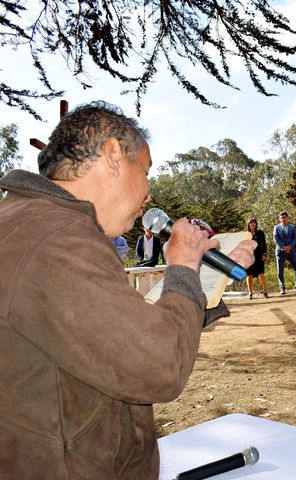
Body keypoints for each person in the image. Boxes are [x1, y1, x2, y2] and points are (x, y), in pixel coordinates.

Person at [0, 101, 256, 478]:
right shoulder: (56, 239)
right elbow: (157, 364)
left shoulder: (35, 225)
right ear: (114, 155)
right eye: (147, 169)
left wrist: (200, 276)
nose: (149, 195)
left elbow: (119, 336)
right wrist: (183, 264)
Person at [273, 211, 296, 294]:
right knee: (280, 271)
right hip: (280, 251)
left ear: (287, 218)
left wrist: (289, 247)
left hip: (291, 251)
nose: (283, 219)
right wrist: (283, 247)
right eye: (281, 217)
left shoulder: (292, 227)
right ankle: (282, 288)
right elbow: (276, 239)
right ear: (279, 219)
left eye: (284, 217)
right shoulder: (276, 227)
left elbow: (295, 238)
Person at [246, 218, 268, 299]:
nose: (253, 224)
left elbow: (264, 244)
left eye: (254, 222)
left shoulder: (260, 233)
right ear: (248, 224)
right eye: (251, 223)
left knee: (261, 273)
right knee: (249, 275)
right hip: (248, 256)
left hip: (259, 255)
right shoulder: (245, 234)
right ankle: (250, 293)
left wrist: (264, 254)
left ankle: (265, 291)